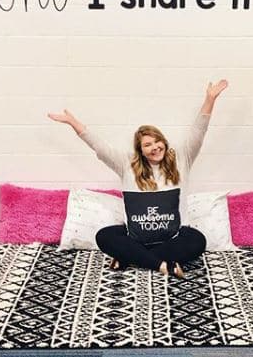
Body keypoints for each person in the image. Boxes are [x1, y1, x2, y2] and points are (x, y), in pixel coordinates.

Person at [48, 79, 228, 278]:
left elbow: (198, 131)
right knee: (105, 236)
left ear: (164, 142)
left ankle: (128, 258)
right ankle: (161, 265)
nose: (155, 147)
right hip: (136, 239)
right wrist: (74, 123)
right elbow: (99, 147)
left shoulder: (181, 159)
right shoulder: (126, 165)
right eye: (148, 144)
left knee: (197, 240)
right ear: (140, 150)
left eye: (158, 141)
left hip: (172, 239)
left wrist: (210, 99)